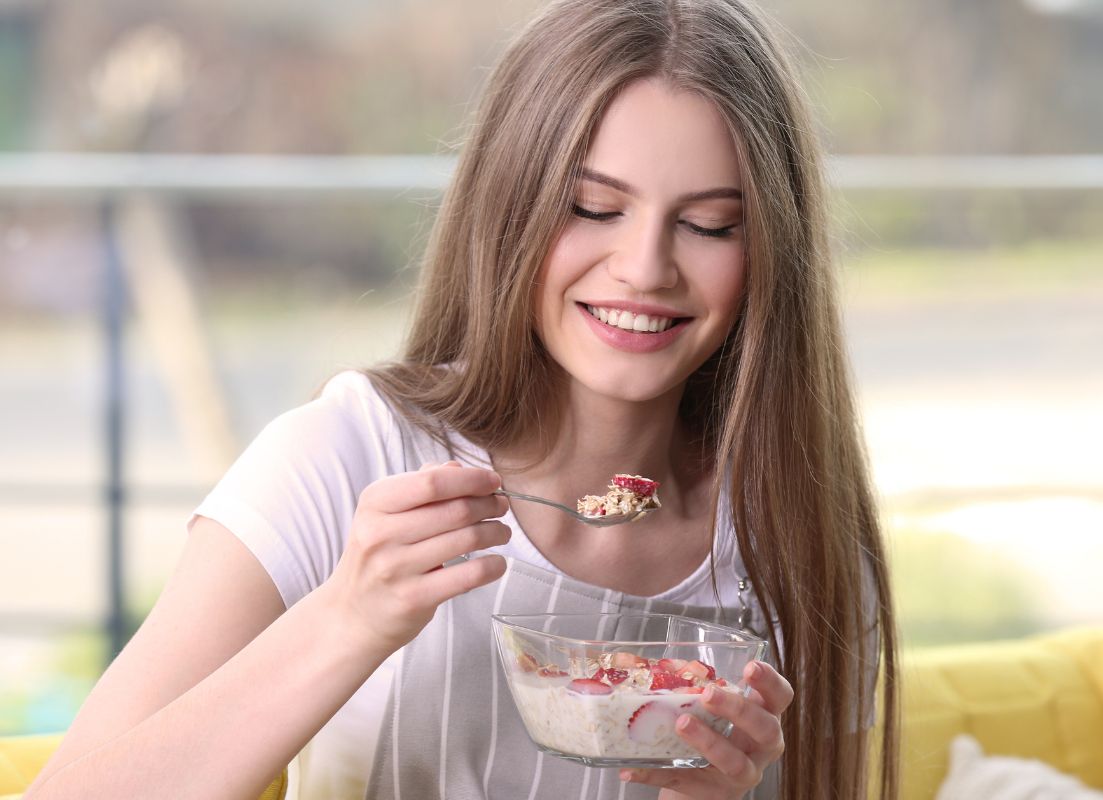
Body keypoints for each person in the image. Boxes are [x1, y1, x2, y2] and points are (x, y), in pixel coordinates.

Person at [28, 0, 898, 797]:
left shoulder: (797, 546)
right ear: (508, 207)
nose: (644, 268)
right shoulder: (347, 459)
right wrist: (346, 619)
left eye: (709, 225)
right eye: (592, 207)